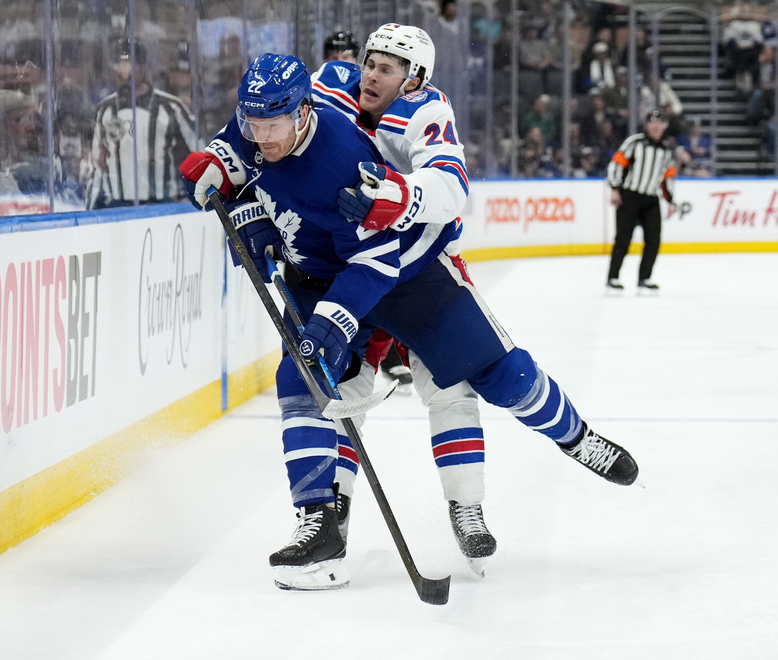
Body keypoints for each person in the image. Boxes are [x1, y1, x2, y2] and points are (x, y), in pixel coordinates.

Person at [180, 52, 640, 591]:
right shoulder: (260, 119)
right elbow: (229, 160)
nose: (260, 135)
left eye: (271, 124)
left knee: (501, 376)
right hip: (316, 273)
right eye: (252, 122)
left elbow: (378, 258)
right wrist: (235, 200)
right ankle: (319, 527)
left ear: (303, 111)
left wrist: (333, 321)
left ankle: (575, 438)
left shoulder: (344, 162)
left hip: (403, 273)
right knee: (301, 382)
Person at [312, 23, 497, 572]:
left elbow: (449, 187)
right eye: (369, 61)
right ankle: (332, 509)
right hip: (356, 273)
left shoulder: (425, 111)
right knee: (343, 390)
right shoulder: (328, 90)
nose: (370, 71)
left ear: (412, 79)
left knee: (451, 387)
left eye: (386, 67)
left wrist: (399, 195)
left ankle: (467, 507)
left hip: (415, 274)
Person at [85, 36, 195, 209]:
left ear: (144, 67)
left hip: (163, 205)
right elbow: (98, 166)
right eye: (119, 63)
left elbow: (197, 155)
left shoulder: (171, 107)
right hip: (117, 207)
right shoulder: (104, 110)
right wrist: (91, 211)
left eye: (131, 63)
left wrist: (191, 198)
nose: (125, 70)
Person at [606, 108, 677, 294]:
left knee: (653, 240)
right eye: (652, 123)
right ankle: (612, 278)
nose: (656, 126)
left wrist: (670, 200)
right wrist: (615, 188)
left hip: (651, 199)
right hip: (629, 195)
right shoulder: (634, 142)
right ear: (647, 125)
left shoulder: (666, 150)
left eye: (659, 123)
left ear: (665, 126)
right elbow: (617, 164)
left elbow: (667, 177)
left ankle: (644, 279)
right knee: (623, 239)